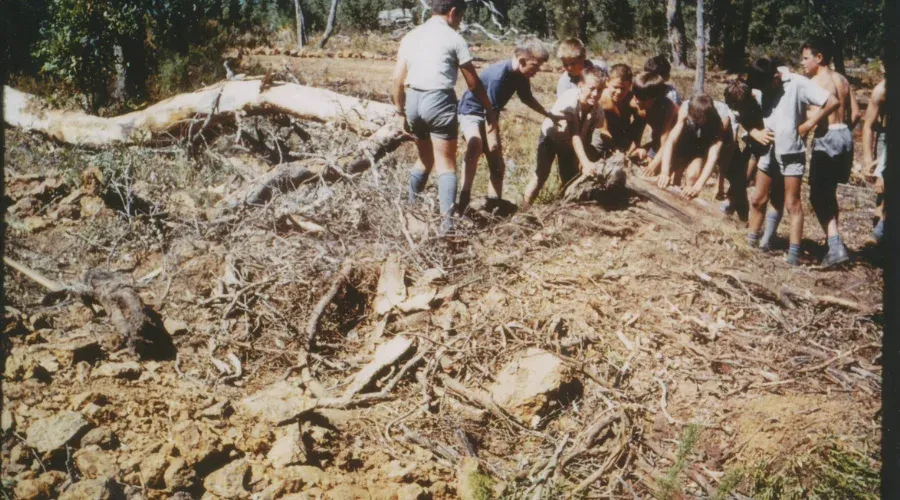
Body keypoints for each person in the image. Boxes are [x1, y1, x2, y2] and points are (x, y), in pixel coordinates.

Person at [391, 0, 496, 231]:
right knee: (446, 164)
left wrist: (400, 111)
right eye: (460, 17)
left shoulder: (411, 36)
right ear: (452, 12)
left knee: (425, 159)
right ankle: (447, 226)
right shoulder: (454, 38)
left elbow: (397, 79)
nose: (459, 22)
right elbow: (473, 83)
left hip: (414, 101)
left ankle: (409, 213)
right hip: (439, 100)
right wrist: (488, 107)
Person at [745, 58, 839, 266]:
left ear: (775, 78)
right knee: (758, 199)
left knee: (792, 203)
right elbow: (743, 110)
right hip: (768, 149)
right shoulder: (760, 85)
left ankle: (793, 256)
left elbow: (832, 101)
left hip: (791, 152)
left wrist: (807, 125)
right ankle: (750, 246)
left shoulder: (797, 83)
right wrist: (755, 132)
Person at [456, 39, 562, 213]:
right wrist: (492, 141)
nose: (537, 71)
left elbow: (526, 98)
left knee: (497, 164)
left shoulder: (520, 75)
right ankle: (464, 197)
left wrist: (548, 114)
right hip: (472, 111)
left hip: (490, 113)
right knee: (476, 146)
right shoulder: (499, 75)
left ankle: (493, 204)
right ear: (521, 60)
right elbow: (490, 111)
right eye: (534, 66)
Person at [799, 39, 862, 266]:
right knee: (829, 191)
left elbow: (815, 114)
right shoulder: (842, 79)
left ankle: (835, 245)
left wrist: (803, 126)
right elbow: (855, 114)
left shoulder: (817, 81)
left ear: (819, 58)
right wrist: (843, 132)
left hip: (827, 138)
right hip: (845, 135)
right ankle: (833, 242)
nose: (802, 63)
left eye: (806, 58)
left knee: (817, 194)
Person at [523, 66, 608, 206]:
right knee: (541, 176)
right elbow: (575, 133)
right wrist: (585, 162)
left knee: (570, 178)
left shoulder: (597, 110)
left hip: (569, 145)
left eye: (600, 90)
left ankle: (562, 206)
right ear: (581, 85)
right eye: (591, 88)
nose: (595, 94)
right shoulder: (570, 100)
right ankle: (525, 208)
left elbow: (587, 135)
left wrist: (582, 159)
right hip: (551, 139)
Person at [656, 95, 732, 200]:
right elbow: (671, 141)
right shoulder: (685, 108)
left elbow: (713, 156)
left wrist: (697, 187)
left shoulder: (722, 118)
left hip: (707, 140)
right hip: (688, 137)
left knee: (692, 176)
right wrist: (664, 172)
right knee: (673, 171)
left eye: (698, 120)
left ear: (704, 118)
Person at [720, 78, 768, 221]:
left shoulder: (760, 97)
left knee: (745, 178)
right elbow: (735, 132)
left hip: (769, 137)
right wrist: (754, 133)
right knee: (742, 177)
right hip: (754, 140)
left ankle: (732, 205)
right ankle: (741, 216)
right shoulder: (732, 107)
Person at [629, 72, 679, 177]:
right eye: (635, 96)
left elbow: (666, 143)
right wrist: (631, 151)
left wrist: (654, 165)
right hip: (657, 142)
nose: (636, 101)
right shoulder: (636, 102)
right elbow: (638, 130)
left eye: (641, 98)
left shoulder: (669, 110)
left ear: (653, 98)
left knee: (653, 172)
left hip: (677, 142)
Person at [862, 78, 887, 246]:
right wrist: (868, 158)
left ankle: (879, 233)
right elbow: (868, 125)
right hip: (887, 139)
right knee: (883, 194)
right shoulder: (882, 90)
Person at [598, 64, 640, 156]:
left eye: (623, 88)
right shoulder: (602, 100)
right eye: (615, 87)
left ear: (630, 85)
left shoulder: (632, 98)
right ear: (607, 82)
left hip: (624, 136)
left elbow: (641, 119)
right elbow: (603, 130)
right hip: (604, 137)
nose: (619, 92)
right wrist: (616, 151)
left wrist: (636, 142)